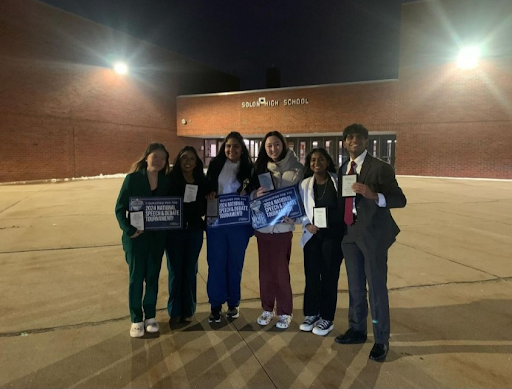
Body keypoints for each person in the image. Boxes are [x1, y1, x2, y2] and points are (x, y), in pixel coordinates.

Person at [334, 123, 406, 361]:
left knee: (376, 288)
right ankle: (357, 329)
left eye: (360, 137)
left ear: (367, 142)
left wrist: (374, 195)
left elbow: (400, 199)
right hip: (349, 235)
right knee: (355, 288)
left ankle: (381, 339)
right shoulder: (343, 167)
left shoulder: (380, 168)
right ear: (345, 142)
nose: (355, 141)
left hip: (373, 236)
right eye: (350, 137)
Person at [114, 142, 171, 338]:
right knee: (136, 278)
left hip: (157, 239)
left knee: (153, 278)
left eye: (163, 158)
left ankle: (151, 316)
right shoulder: (132, 179)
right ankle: (136, 318)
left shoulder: (166, 181)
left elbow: (173, 208)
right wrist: (129, 230)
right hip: (136, 239)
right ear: (146, 157)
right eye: (155, 156)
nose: (158, 161)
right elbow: (120, 208)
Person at [252, 131, 303, 329]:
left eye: (276, 144)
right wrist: (255, 195)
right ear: (264, 149)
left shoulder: (298, 168)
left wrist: (297, 217)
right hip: (263, 229)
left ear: (283, 145)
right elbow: (249, 196)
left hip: (282, 228)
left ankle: (284, 311)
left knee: (281, 272)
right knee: (265, 272)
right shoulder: (259, 168)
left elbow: (303, 197)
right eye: (269, 146)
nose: (273, 149)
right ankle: (267, 308)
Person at [205, 131, 254, 322]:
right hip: (217, 222)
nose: (231, 149)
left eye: (235, 146)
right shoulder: (216, 165)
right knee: (216, 263)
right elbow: (206, 186)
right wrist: (208, 192)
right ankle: (215, 306)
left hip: (238, 224)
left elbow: (257, 190)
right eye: (228, 146)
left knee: (234, 264)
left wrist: (248, 191)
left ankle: (233, 303)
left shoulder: (249, 168)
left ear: (242, 149)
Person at [298, 148, 344, 336]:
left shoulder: (338, 182)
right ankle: (311, 313)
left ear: (327, 162)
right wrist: (306, 224)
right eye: (313, 160)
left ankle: (326, 317)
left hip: (333, 237)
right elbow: (299, 208)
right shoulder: (304, 184)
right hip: (313, 237)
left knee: (329, 277)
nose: (317, 163)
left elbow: (347, 205)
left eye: (321, 159)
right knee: (311, 277)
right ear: (309, 163)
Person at [165, 146, 207, 323]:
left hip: (194, 231)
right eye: (184, 158)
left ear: (196, 161)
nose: (188, 162)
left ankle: (189, 309)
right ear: (178, 160)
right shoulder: (170, 179)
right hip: (174, 232)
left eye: (191, 158)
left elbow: (206, 206)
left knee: (190, 270)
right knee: (175, 271)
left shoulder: (202, 180)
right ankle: (175, 311)